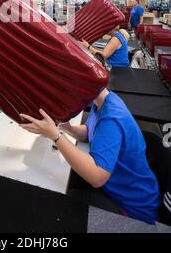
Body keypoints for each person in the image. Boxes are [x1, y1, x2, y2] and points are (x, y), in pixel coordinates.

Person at [19, 87, 160, 225]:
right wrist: (67, 128)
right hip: (115, 187)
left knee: (62, 204)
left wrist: (56, 136)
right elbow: (89, 132)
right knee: (64, 183)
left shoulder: (112, 117)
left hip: (132, 208)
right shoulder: (101, 100)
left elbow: (97, 177)